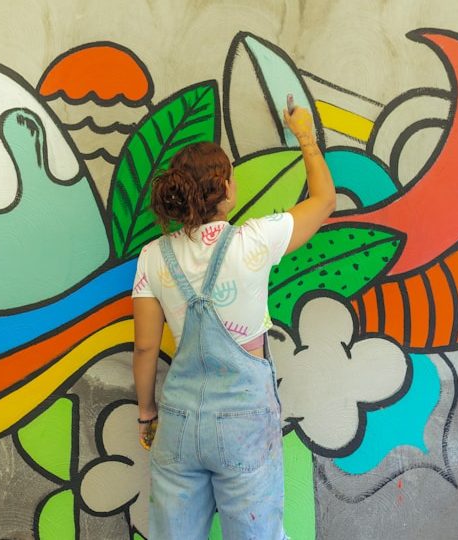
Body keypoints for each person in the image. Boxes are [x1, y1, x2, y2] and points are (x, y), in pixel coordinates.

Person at [131, 103, 335, 539]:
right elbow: (323, 202)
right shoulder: (254, 241)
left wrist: (147, 412)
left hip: (180, 422)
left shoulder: (153, 256)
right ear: (224, 188)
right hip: (244, 422)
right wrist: (305, 135)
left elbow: (146, 347)